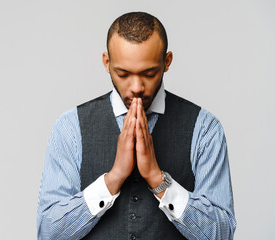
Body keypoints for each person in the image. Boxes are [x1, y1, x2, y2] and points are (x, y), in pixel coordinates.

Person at [37, 12, 236, 240]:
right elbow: (48, 233)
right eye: (123, 74)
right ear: (107, 63)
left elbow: (222, 235)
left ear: (167, 62)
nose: (136, 87)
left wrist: (158, 179)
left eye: (149, 73)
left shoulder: (205, 129)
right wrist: (113, 179)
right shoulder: (70, 128)